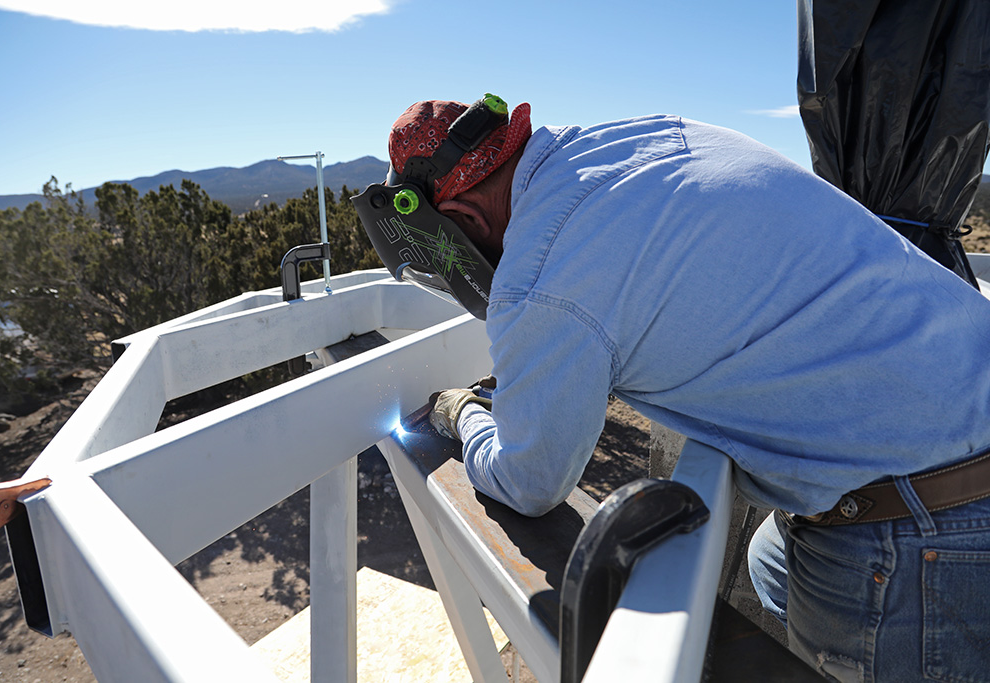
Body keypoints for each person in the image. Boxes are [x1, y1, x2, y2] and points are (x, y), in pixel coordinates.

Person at [352, 94, 990, 682]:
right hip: (961, 404)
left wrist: (465, 414)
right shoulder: (643, 138)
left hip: (921, 517)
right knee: (770, 561)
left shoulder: (542, 278)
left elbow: (529, 480)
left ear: (459, 218)